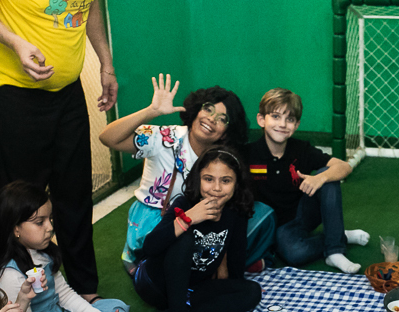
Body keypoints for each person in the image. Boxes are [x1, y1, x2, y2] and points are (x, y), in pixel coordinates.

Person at [0, 0, 117, 300]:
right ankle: (30, 297)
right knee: (23, 204)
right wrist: (14, 41)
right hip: (14, 91)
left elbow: (90, 7)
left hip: (68, 90)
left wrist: (106, 63)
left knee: (75, 192)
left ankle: (85, 290)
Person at [100, 74, 275, 275]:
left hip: (203, 218)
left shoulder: (222, 156)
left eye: (222, 119)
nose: (211, 119)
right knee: (195, 244)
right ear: (196, 110)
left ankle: (217, 265)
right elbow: (107, 137)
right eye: (208, 109)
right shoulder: (165, 138)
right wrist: (151, 111)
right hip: (158, 223)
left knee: (263, 214)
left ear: (226, 131)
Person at [0, 180, 148, 312]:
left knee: (118, 310)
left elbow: (65, 295)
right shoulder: (9, 274)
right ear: (15, 229)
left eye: (50, 219)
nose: (50, 227)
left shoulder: (43, 252)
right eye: (40, 222)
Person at [130, 147, 263, 312]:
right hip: (156, 283)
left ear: (237, 184)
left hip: (192, 287)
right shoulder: (184, 203)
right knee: (183, 239)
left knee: (252, 291)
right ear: (198, 179)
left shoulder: (236, 211)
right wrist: (188, 218)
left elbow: (236, 258)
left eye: (226, 181)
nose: (216, 188)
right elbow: (149, 248)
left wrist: (231, 289)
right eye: (208, 179)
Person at [246, 87, 369, 274]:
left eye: (290, 119)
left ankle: (335, 251)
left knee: (328, 174)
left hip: (303, 214)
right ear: (261, 120)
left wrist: (320, 178)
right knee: (295, 254)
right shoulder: (249, 153)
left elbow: (344, 166)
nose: (282, 124)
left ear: (296, 125)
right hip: (277, 226)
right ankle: (338, 235)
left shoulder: (301, 149)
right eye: (276, 117)